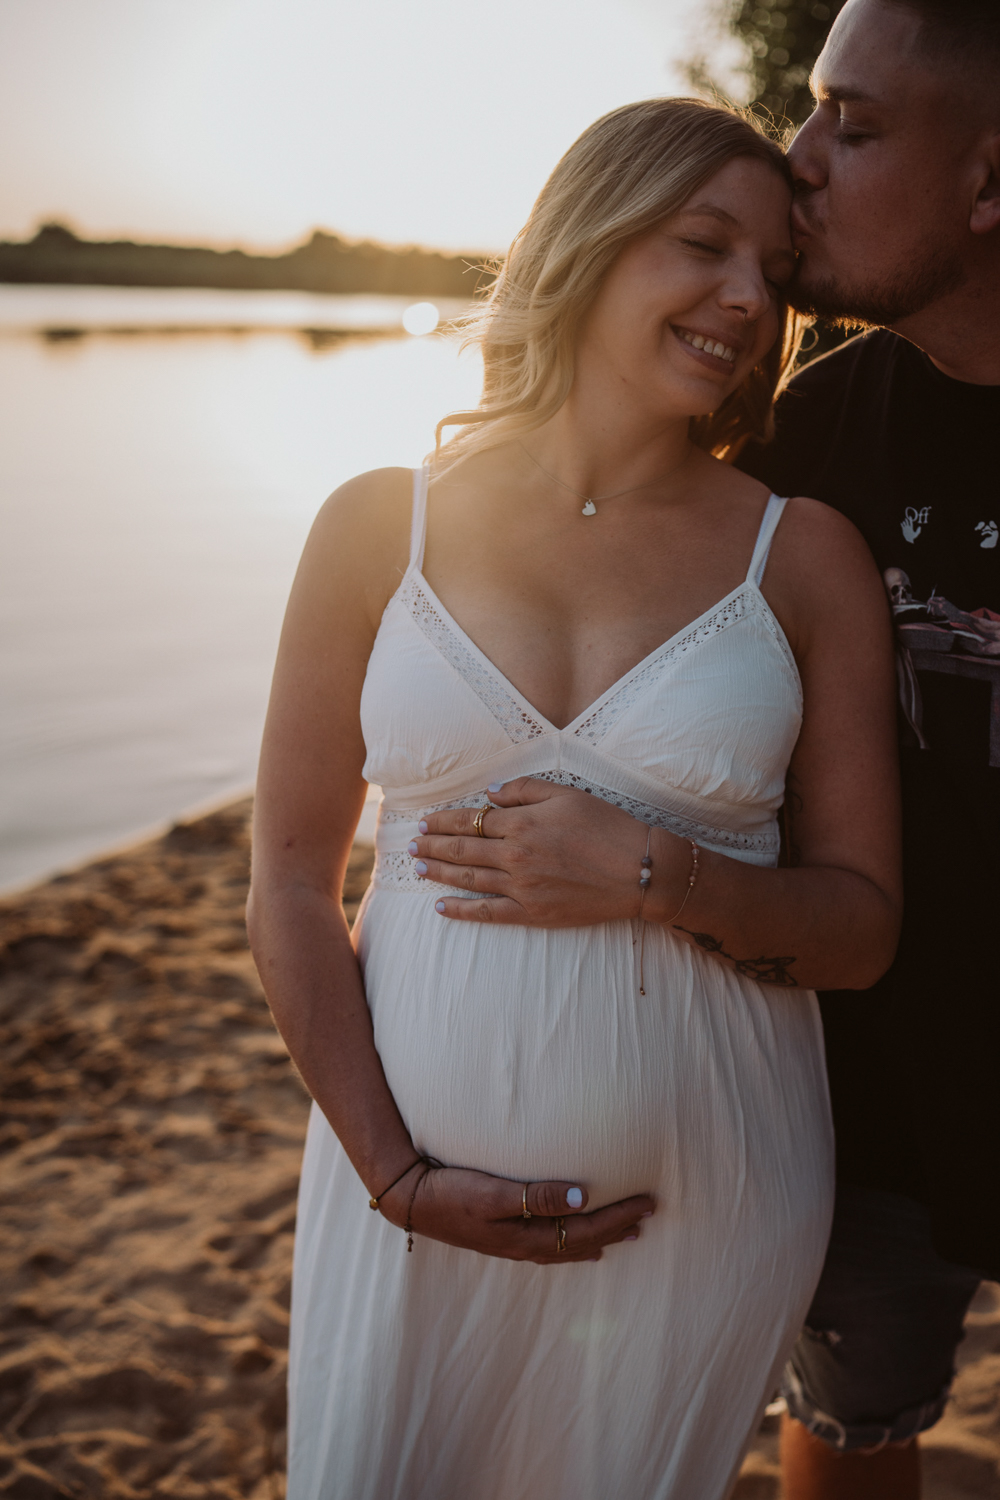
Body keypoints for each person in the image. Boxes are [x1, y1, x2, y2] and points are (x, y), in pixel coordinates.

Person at [248, 98, 901, 1500]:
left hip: (708, 1209)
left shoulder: (802, 557)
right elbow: (291, 886)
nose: (746, 296)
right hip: (398, 1196)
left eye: (774, 272)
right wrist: (393, 1173)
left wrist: (661, 874)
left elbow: (861, 930)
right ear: (588, 240)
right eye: (702, 243)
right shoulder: (380, 523)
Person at [416, 3, 1000, 1497]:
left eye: (851, 129)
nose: (802, 164)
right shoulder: (814, 436)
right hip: (873, 1107)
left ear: (990, 181)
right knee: (859, 1426)